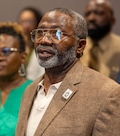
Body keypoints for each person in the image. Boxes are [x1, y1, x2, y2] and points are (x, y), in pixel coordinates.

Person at [16, 7, 120, 136]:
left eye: (57, 33)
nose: (44, 40)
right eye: (40, 32)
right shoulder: (30, 90)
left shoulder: (107, 93)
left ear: (80, 46)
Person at [80, 0, 120, 82]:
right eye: (87, 14)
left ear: (112, 20)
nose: (91, 18)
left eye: (99, 13)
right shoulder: (77, 47)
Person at [18, 6, 44, 80]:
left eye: (30, 21)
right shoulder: (16, 48)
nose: (26, 26)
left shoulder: (43, 47)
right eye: (23, 21)